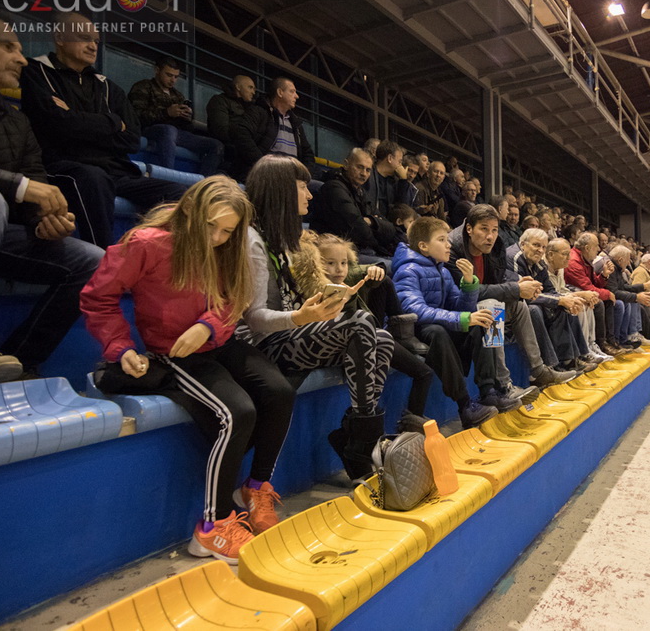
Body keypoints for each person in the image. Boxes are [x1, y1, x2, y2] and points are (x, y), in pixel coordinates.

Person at [80, 176, 295, 564]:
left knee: (279, 392)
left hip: (219, 341)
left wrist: (208, 325)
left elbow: (234, 299)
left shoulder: (228, 248)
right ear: (191, 212)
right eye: (211, 226)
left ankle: (256, 486)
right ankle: (212, 529)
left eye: (228, 231)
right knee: (237, 412)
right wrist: (120, 347)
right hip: (175, 352)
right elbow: (99, 298)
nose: (217, 237)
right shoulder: (146, 244)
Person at [238, 155, 395, 482]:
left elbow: (294, 297)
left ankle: (352, 438)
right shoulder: (253, 241)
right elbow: (254, 318)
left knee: (384, 338)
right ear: (281, 191)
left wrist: (328, 298)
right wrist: (302, 316)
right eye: (302, 188)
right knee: (361, 324)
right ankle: (364, 444)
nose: (310, 195)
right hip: (265, 345)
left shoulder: (283, 239)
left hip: (292, 333)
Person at [0, 8, 104, 382]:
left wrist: (44, 222)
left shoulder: (15, 119)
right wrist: (21, 187)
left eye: (20, 49)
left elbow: (34, 177)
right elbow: (22, 184)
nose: (21, 58)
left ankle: (18, 360)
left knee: (95, 261)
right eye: (7, 46)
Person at [20, 12, 186, 248]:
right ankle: (102, 263)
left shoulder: (108, 87)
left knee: (180, 193)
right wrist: (112, 123)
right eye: (84, 37)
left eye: (96, 41)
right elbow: (57, 126)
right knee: (93, 178)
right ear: (60, 37)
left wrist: (78, 122)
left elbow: (131, 140)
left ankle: (152, 265)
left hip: (115, 173)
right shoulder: (35, 71)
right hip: (61, 166)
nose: (92, 46)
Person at [393, 216, 515, 429]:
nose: (449, 244)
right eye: (442, 240)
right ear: (423, 246)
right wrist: (463, 319)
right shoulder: (408, 270)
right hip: (412, 331)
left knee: (487, 318)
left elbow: (461, 308)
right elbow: (414, 309)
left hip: (439, 325)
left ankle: (490, 391)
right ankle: (465, 404)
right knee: (438, 330)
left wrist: (469, 285)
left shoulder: (441, 270)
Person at [448, 204, 575, 392]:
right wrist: (515, 288)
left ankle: (539, 371)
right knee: (493, 307)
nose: (490, 236)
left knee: (519, 306)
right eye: (484, 229)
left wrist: (516, 282)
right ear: (469, 229)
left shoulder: (495, 246)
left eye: (494, 230)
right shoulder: (453, 251)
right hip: (459, 310)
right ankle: (504, 384)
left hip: (482, 306)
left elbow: (497, 280)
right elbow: (469, 292)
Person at [317, 233, 434, 430]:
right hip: (347, 345)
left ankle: (409, 428)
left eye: (344, 263)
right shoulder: (314, 288)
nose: (339, 269)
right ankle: (361, 432)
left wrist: (376, 269)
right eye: (330, 263)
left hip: (373, 338)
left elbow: (367, 271)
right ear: (316, 264)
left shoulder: (348, 277)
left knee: (424, 372)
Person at [512, 228, 600, 373]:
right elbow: (522, 293)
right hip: (513, 304)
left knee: (568, 305)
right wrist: (563, 299)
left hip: (528, 300)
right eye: (536, 245)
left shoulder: (539, 263)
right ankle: (548, 366)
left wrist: (566, 300)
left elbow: (551, 291)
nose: (540, 250)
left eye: (543, 247)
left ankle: (576, 356)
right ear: (523, 244)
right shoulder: (515, 258)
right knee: (541, 309)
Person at [128, 57, 224, 175]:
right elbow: (136, 116)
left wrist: (186, 118)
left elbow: (188, 129)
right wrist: (166, 113)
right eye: (169, 75)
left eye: (176, 77)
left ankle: (203, 185)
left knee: (216, 146)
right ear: (157, 70)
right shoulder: (143, 87)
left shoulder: (177, 95)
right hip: (150, 130)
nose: (173, 80)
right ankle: (168, 175)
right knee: (169, 130)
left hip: (176, 134)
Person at [307, 148, 398, 265]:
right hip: (340, 255)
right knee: (394, 267)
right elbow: (358, 230)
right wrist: (378, 233)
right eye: (359, 167)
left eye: (368, 170)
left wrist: (371, 221)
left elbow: (390, 229)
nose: (363, 173)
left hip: (363, 250)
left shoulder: (360, 192)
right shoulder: (334, 189)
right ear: (346, 164)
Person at [232, 77, 315, 179]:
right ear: (280, 92)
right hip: (265, 176)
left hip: (292, 179)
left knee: (326, 188)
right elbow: (242, 135)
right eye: (292, 91)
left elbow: (308, 153)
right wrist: (263, 166)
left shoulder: (296, 124)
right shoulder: (258, 112)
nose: (297, 96)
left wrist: (303, 175)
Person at [545, 238, 612, 362]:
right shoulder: (548, 267)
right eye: (565, 254)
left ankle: (589, 346)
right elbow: (550, 293)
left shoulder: (559, 266)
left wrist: (602, 277)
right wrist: (580, 295)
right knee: (580, 304)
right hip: (547, 303)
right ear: (550, 255)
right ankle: (581, 352)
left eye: (568, 254)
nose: (568, 258)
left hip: (556, 297)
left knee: (588, 303)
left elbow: (562, 288)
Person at [566, 232, 625, 355]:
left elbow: (594, 283)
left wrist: (604, 274)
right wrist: (608, 293)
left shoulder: (584, 259)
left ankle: (609, 341)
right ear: (587, 248)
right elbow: (588, 288)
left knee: (610, 301)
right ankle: (599, 344)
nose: (598, 249)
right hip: (574, 294)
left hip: (581, 292)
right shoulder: (574, 262)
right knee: (599, 303)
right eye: (596, 246)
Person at [206, 75, 256, 145]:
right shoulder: (220, 101)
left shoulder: (252, 108)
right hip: (228, 146)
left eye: (254, 89)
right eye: (250, 87)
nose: (253, 92)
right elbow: (221, 130)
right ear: (238, 87)